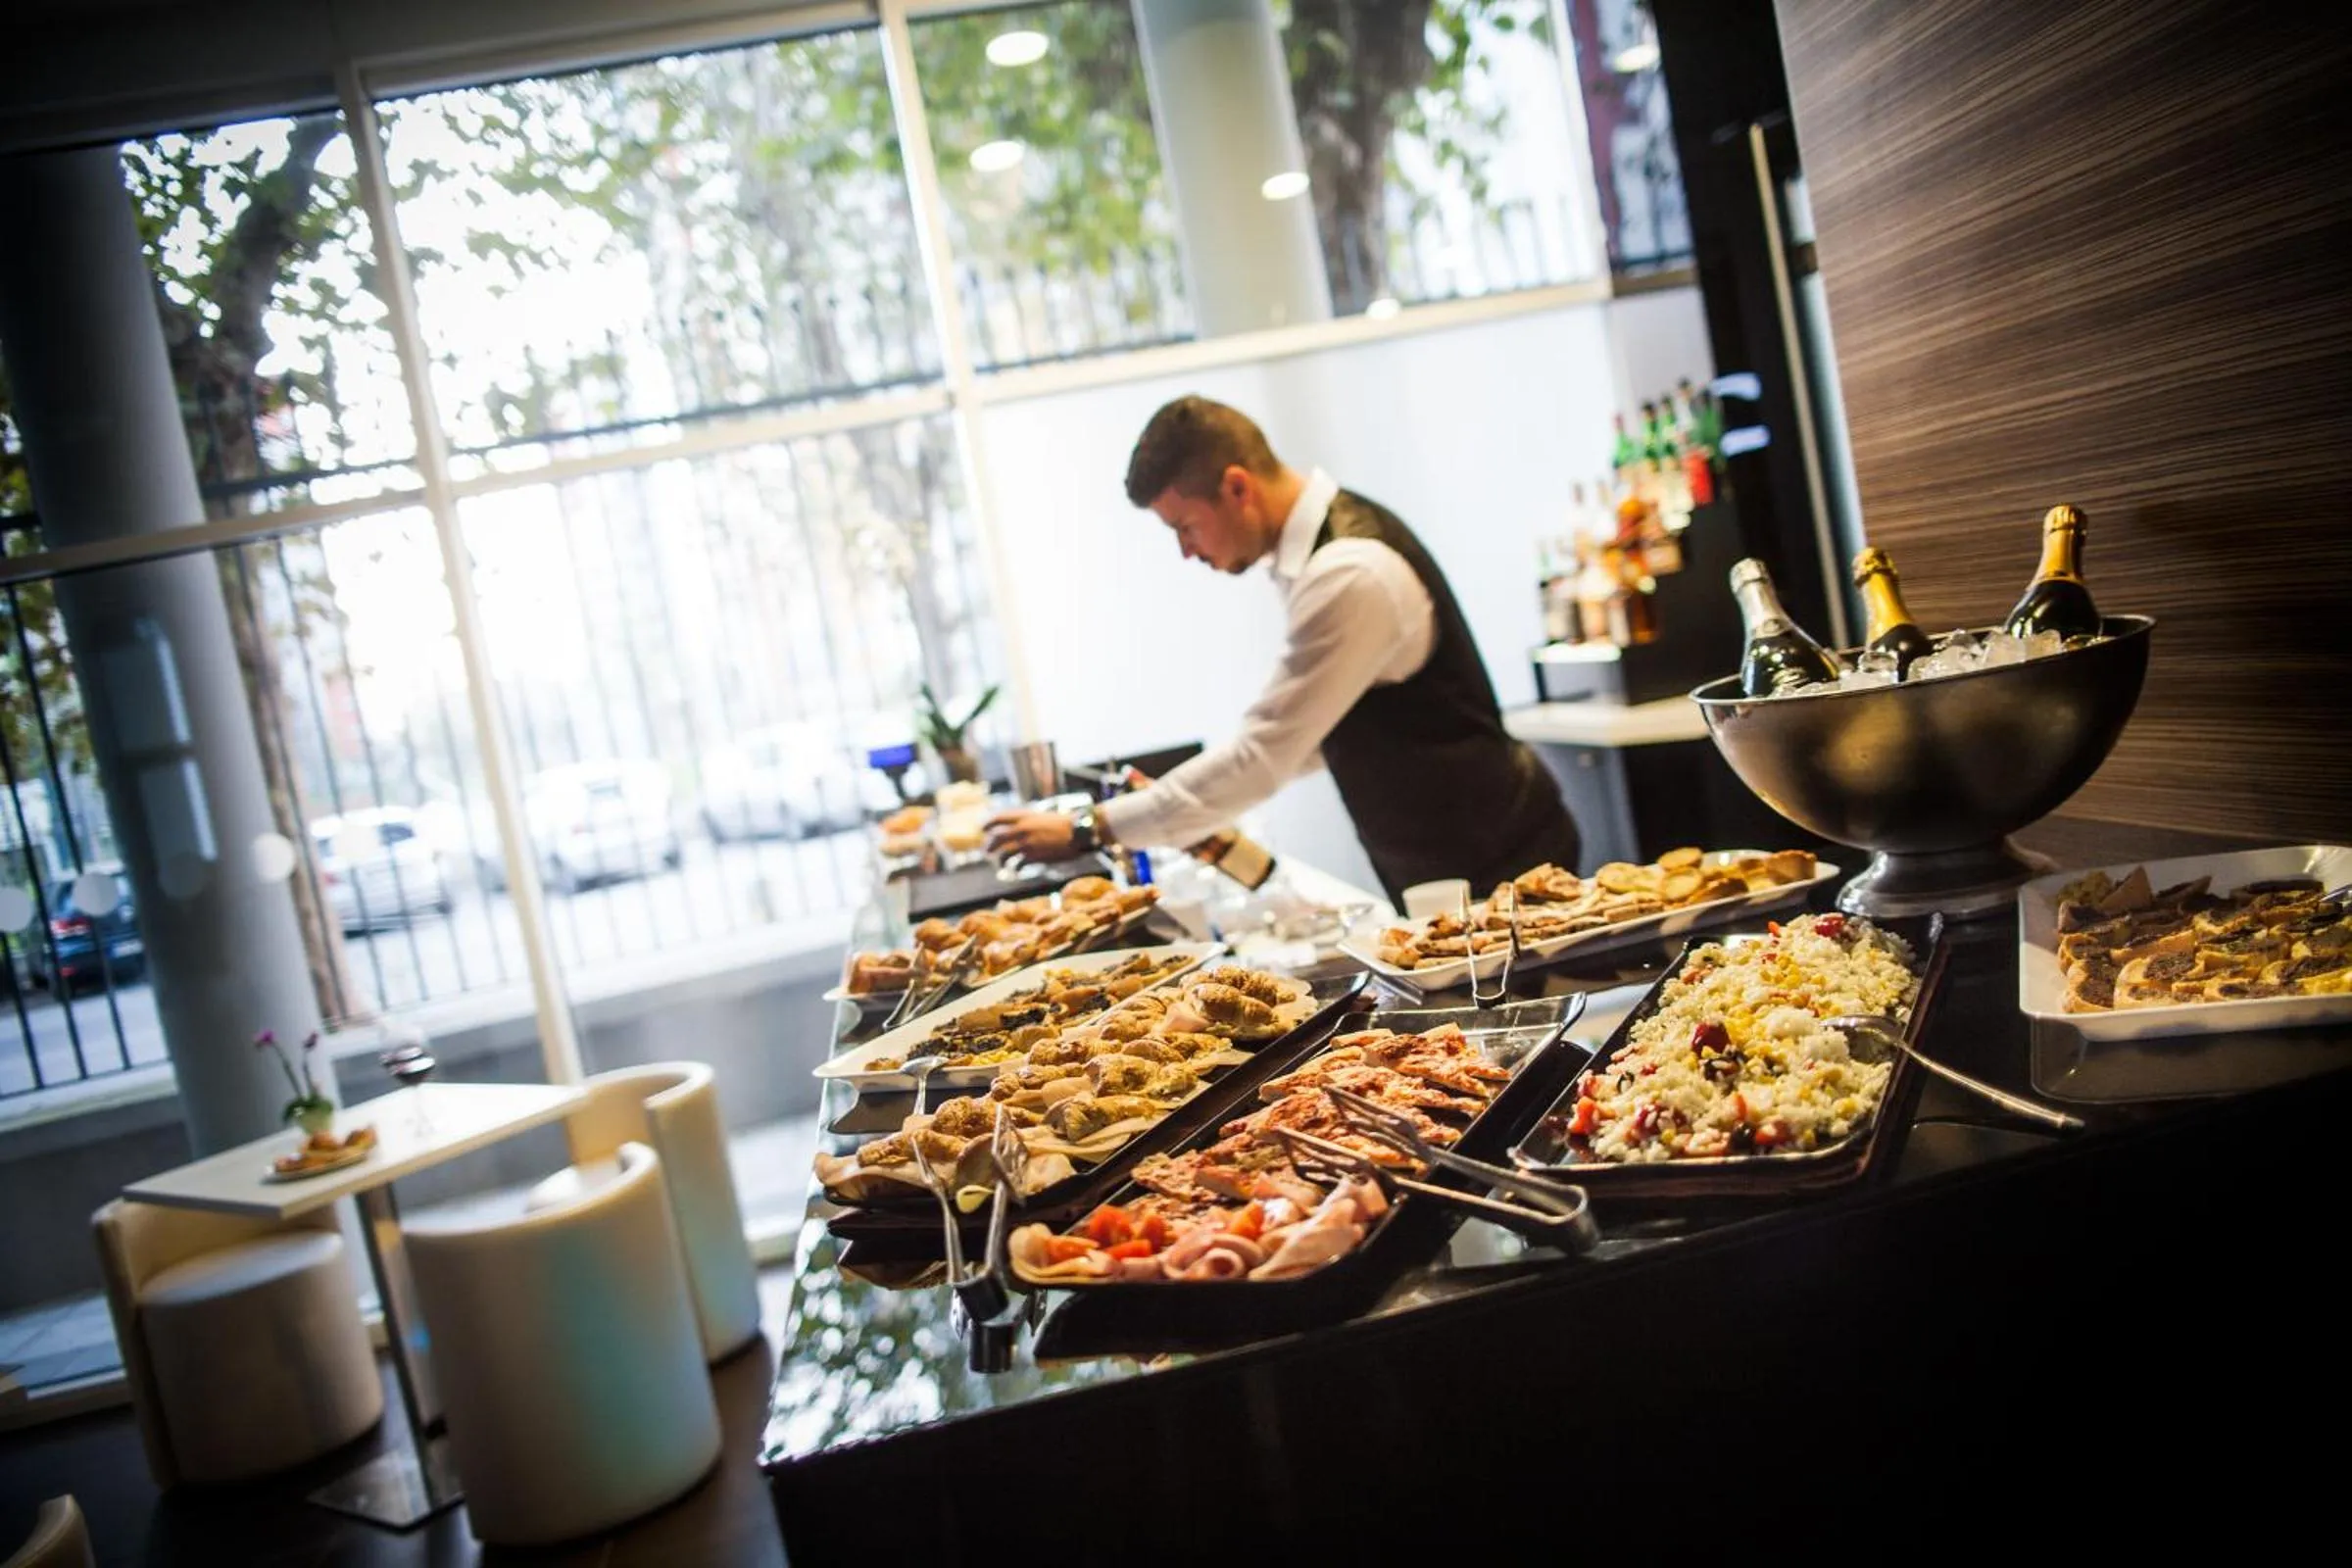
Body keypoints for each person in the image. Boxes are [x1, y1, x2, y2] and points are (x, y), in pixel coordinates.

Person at [985, 395, 1580, 906]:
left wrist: (1092, 828)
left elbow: (1267, 753)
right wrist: (1181, 803)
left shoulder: (1348, 571)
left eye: (1185, 528)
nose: (1186, 553)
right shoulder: (1317, 558)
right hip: (1449, 859)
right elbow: (1301, 740)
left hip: (1501, 859)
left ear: (1237, 487)